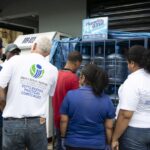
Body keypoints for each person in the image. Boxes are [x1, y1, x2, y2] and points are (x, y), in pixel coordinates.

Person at [0, 36, 58, 150]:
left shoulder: (15, 60)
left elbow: (0, 87)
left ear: (34, 45)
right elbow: (51, 94)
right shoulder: (53, 70)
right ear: (48, 53)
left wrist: (3, 107)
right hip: (37, 123)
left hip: (13, 121)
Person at [60, 64, 115, 150]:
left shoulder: (70, 95)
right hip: (97, 145)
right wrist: (108, 144)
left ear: (84, 78)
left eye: (80, 76)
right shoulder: (106, 100)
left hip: (73, 143)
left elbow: (63, 120)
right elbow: (109, 127)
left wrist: (63, 138)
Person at [112, 45, 150, 150]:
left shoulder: (133, 81)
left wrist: (115, 138)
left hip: (135, 132)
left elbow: (126, 114)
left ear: (132, 63)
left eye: (127, 63)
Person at [52, 50, 82, 150]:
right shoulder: (73, 78)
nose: (79, 67)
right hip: (68, 122)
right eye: (79, 65)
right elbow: (77, 102)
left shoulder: (56, 74)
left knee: (59, 144)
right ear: (77, 63)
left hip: (56, 118)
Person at [0, 43, 21, 150]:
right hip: (5, 112)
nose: (15, 55)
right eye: (12, 52)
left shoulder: (22, 68)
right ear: (6, 54)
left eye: (17, 52)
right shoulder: (3, 68)